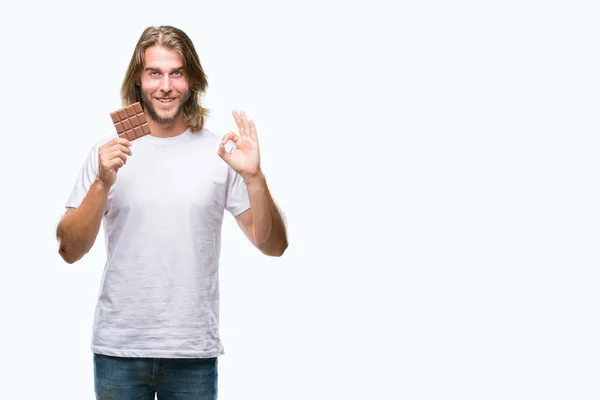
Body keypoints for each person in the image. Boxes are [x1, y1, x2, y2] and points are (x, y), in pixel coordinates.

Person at [55, 25, 288, 400]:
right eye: (154, 73)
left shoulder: (221, 155)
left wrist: (255, 176)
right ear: (138, 81)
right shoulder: (108, 153)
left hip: (191, 352)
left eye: (176, 73)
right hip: (120, 350)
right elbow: (69, 250)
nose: (166, 85)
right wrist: (102, 182)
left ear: (191, 80)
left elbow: (274, 246)